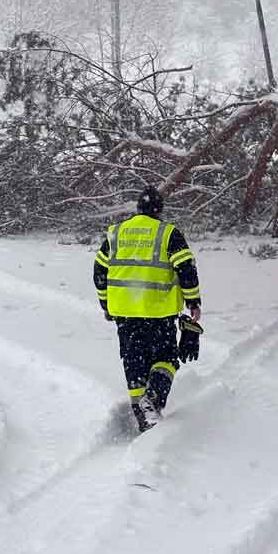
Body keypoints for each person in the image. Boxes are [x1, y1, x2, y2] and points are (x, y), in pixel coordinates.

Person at [93, 185, 202, 433]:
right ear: (159, 209)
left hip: (125, 313)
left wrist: (106, 303)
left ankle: (142, 416)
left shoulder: (116, 233)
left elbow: (99, 270)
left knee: (134, 361)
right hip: (158, 312)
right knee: (166, 358)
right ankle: (153, 400)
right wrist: (193, 302)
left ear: (138, 208)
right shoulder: (168, 233)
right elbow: (186, 268)